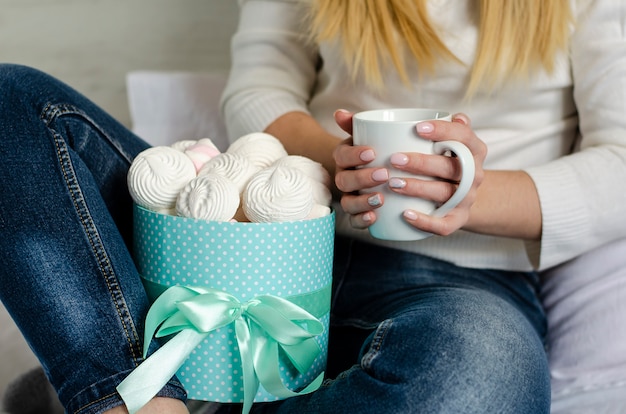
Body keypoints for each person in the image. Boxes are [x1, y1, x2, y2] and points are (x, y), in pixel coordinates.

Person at [0, 1, 623, 414]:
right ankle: (141, 396)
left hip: (458, 284)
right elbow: (259, 87)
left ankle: (136, 392)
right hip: (257, 231)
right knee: (15, 102)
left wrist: (468, 193)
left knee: (475, 379)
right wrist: (337, 163)